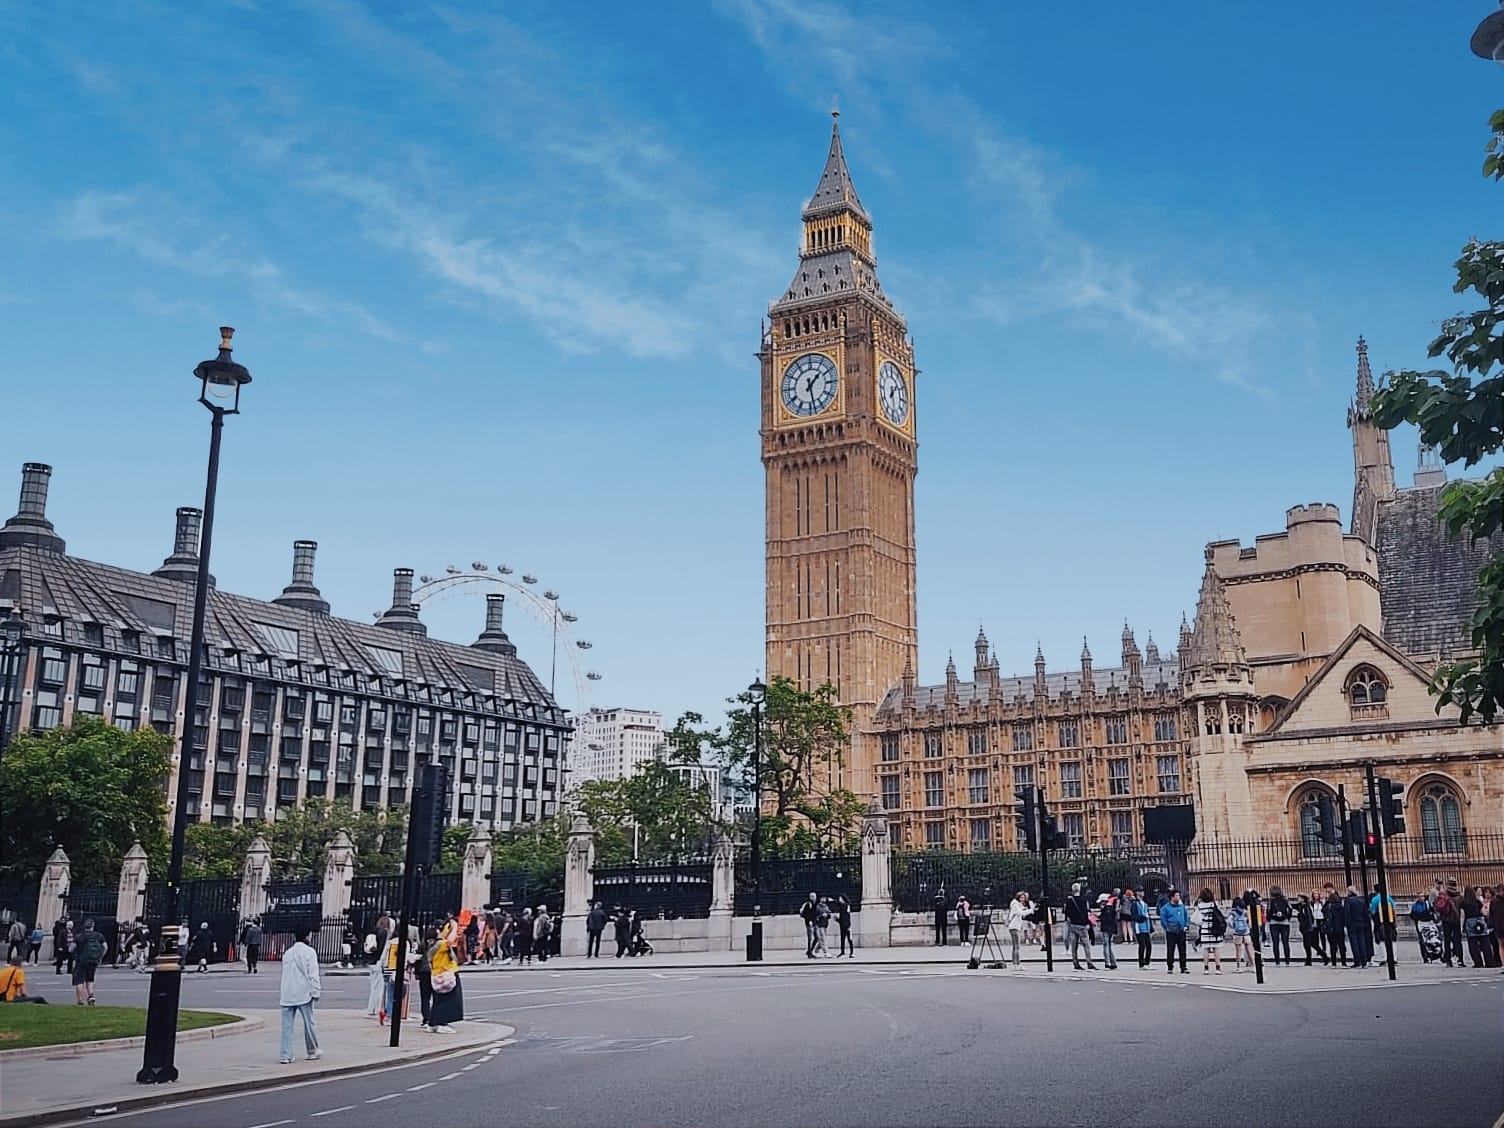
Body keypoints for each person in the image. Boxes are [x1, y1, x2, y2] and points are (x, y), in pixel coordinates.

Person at [278, 925, 322, 1063]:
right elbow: (313, 974)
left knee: (287, 1026)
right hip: (304, 992)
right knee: (309, 1023)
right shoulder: (309, 952)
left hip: (287, 992)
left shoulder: (288, 953)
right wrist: (316, 990)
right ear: (306, 936)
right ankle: (312, 1050)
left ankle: (286, 1054)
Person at [1062, 883, 1097, 971]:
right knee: (1086, 945)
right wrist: (1087, 923)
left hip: (1073, 924)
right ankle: (1089, 962)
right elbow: (1086, 912)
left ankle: (1075, 963)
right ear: (1080, 889)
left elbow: (1066, 913)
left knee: (1074, 945)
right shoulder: (1084, 899)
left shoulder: (1069, 900)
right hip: (1082, 925)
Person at [73, 917, 106, 1005]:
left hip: (81, 960)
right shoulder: (99, 936)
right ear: (93, 926)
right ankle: (91, 996)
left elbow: (71, 948)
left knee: (79, 980)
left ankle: (80, 1000)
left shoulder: (79, 936)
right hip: (93, 960)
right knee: (90, 979)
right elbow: (105, 947)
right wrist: (99, 956)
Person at [1460, 885, 1492, 968]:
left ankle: (1478, 962)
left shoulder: (1464, 902)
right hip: (1480, 921)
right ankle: (1489, 961)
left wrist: (1462, 926)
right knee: (1485, 942)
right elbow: (1483, 911)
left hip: (1469, 922)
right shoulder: (1477, 901)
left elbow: (1462, 915)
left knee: (1473, 944)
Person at [1194, 889, 1224, 975]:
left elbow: (1197, 918)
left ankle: (1206, 968)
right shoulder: (1213, 904)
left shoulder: (1200, 905)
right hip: (1215, 929)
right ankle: (1218, 968)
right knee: (1216, 949)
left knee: (1205, 949)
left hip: (1205, 929)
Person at [1435, 878, 1465, 968]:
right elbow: (1463, 906)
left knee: (1447, 940)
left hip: (1446, 919)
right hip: (1456, 920)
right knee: (1457, 940)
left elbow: (1437, 906)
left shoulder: (1443, 894)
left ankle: (1448, 960)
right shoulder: (1459, 895)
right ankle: (1460, 960)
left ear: (1448, 885)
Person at [1120, 888, 1152, 968]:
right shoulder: (1135, 904)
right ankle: (1141, 963)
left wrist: (1151, 927)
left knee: (1149, 945)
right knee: (1142, 945)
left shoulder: (1145, 903)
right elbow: (1134, 916)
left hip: (1146, 927)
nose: (1143, 893)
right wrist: (1143, 917)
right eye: (1141, 891)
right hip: (1139, 927)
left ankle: (1147, 962)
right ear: (1137, 893)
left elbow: (1148, 914)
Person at [1161, 890, 1189, 974]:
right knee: (1170, 949)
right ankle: (1170, 966)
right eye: (1177, 896)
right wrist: (1167, 927)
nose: (1178, 897)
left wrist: (1186, 925)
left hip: (1181, 930)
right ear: (1172, 897)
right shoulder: (1166, 908)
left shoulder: (1181, 907)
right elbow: (1163, 919)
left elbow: (1186, 916)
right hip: (1171, 931)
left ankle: (1183, 966)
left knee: (1182, 950)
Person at [1296, 895, 1326, 965]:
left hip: (1307, 928)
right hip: (1306, 928)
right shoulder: (1302, 907)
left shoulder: (1306, 907)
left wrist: (1309, 927)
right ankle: (1324, 956)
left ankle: (1309, 960)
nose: (1298, 899)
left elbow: (1309, 917)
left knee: (1308, 945)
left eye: (1299, 898)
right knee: (1312, 944)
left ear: (1303, 899)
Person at [1004, 892, 1032, 968]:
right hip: (1015, 927)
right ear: (1018, 898)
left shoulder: (1015, 904)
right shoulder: (1015, 905)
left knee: (1015, 946)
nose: (1023, 899)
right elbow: (1021, 913)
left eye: (1024, 898)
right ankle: (1018, 964)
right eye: (1021, 898)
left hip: (1013, 927)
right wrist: (1031, 910)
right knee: (1017, 946)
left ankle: (1015, 964)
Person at [1267, 885, 1293, 966]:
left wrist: (1270, 919)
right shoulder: (1285, 899)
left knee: (1275, 943)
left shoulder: (1271, 901)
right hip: (1285, 923)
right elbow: (1290, 909)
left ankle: (1277, 961)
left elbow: (1268, 911)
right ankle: (1287, 961)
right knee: (1285, 942)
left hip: (1274, 923)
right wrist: (1287, 918)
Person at [1369, 886, 1397, 958]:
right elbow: (1394, 909)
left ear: (1375, 891)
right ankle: (1394, 956)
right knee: (1392, 939)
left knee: (1381, 939)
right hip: (1390, 921)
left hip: (1379, 922)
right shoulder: (1389, 898)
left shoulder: (1374, 899)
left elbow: (1373, 912)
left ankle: (1385, 957)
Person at [1324, 885, 1348, 966]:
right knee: (1341, 945)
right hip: (1340, 928)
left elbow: (1324, 913)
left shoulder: (1328, 908)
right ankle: (1344, 962)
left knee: (1333, 946)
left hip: (1331, 929)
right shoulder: (1341, 907)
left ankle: (1334, 963)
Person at [1227, 896, 1253, 973]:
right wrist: (1248, 927)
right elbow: (1250, 922)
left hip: (1237, 933)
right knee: (1249, 949)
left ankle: (1239, 967)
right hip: (1246, 932)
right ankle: (1253, 966)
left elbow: (1228, 921)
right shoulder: (1246, 912)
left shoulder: (1233, 912)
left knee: (1238, 950)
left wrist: (1233, 927)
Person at [1096, 894, 1119, 970]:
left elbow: (1106, 919)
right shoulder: (1112, 908)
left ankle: (1107, 963)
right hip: (1112, 929)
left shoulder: (1106, 909)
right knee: (1109, 946)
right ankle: (1113, 963)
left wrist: (1099, 916)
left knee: (1105, 946)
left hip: (1106, 928)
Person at [800, 893, 822, 958]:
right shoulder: (808, 904)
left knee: (816, 937)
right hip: (810, 923)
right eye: (811, 896)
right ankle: (810, 952)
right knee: (810, 938)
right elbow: (806, 914)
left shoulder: (815, 904)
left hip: (814, 922)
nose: (812, 897)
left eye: (813, 896)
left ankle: (810, 951)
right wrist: (809, 921)